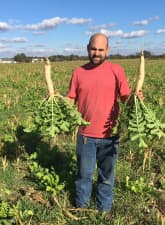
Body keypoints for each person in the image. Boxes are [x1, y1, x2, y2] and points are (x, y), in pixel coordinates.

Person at [66, 33, 143, 214]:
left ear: (107, 50)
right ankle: (82, 209)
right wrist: (58, 100)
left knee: (106, 176)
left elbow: (125, 98)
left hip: (110, 135)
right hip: (85, 135)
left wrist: (135, 98)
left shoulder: (117, 70)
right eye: (93, 49)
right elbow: (70, 99)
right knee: (84, 175)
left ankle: (104, 211)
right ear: (88, 48)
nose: (97, 53)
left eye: (101, 49)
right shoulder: (78, 72)